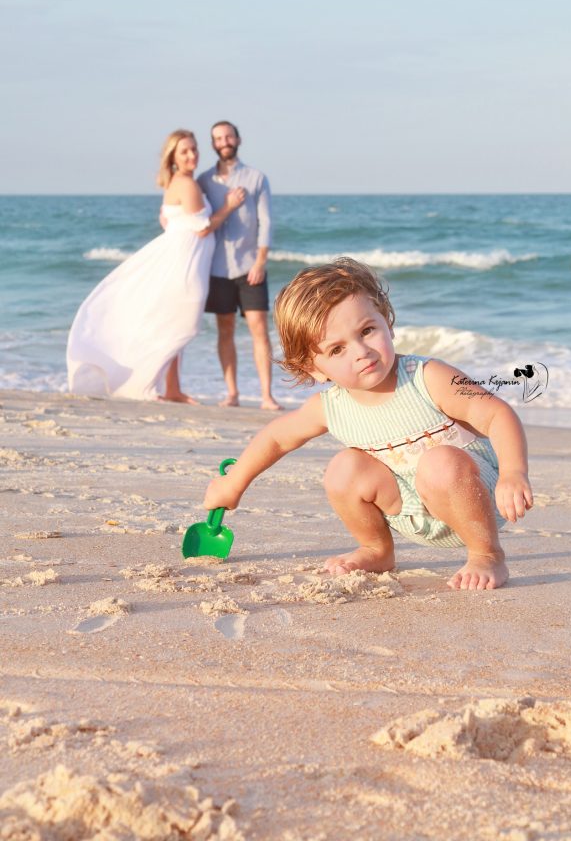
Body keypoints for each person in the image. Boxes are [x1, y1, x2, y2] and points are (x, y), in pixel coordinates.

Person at [204, 258, 534, 590]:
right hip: (410, 512)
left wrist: (513, 473)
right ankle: (377, 549)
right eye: (337, 349)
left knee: (439, 462)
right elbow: (277, 438)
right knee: (344, 467)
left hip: (475, 497)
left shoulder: (428, 377)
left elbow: (496, 414)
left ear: (386, 322)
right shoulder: (329, 407)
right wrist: (234, 484)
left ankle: (487, 555)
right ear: (313, 368)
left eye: (367, 331)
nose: (361, 351)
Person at [67, 130, 237, 402]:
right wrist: (228, 206)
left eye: (194, 149)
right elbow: (203, 228)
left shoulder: (178, 183)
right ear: (173, 157)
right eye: (184, 151)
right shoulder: (187, 184)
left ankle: (172, 389)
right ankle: (159, 386)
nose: (192, 155)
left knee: (175, 323)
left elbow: (171, 220)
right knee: (184, 324)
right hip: (184, 264)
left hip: (184, 259)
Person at [197, 121, 280, 410]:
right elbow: (201, 223)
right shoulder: (205, 181)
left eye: (228, 136)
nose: (224, 141)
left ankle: (267, 396)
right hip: (218, 267)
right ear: (213, 144)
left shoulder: (257, 178)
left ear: (238, 139)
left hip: (250, 266)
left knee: (259, 328)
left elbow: (266, 222)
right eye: (218, 138)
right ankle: (232, 393)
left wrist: (261, 261)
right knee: (225, 328)